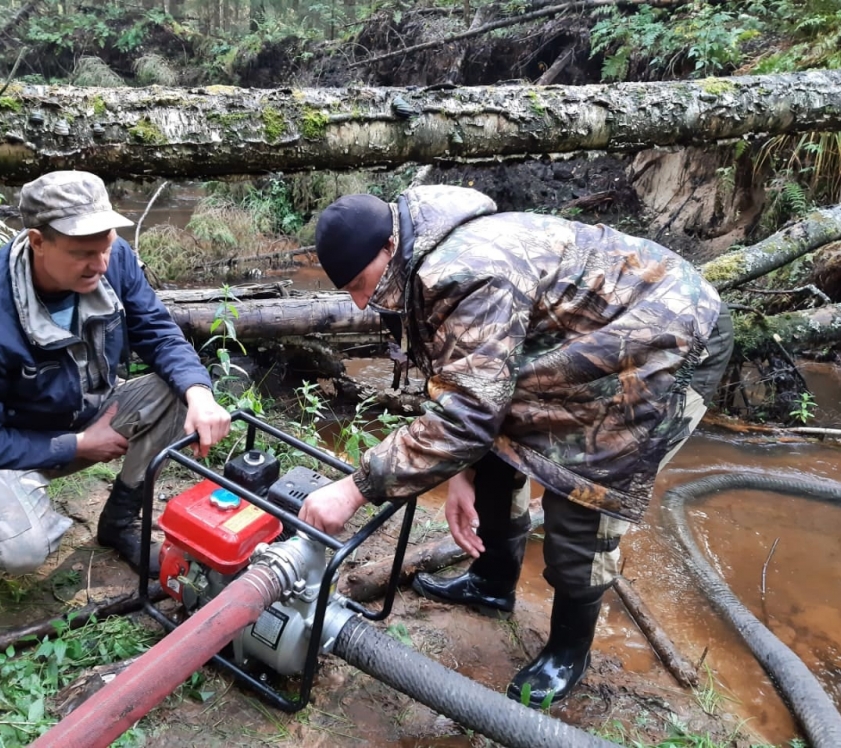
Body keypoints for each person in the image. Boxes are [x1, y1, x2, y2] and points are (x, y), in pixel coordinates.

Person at [298, 186, 733, 707]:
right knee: (497, 448)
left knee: (584, 485)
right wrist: (462, 473)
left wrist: (354, 489)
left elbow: (468, 416)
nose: (360, 302)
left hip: (668, 338)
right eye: (347, 290)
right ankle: (493, 582)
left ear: (388, 248)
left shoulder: (464, 271)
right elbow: (470, 386)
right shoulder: (419, 258)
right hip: (584, 342)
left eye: (359, 284)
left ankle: (569, 650)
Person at [0, 171, 231, 577]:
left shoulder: (113, 257)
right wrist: (78, 445)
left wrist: (200, 394)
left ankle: (119, 522)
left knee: (180, 388)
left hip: (87, 409)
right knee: (21, 550)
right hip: (8, 444)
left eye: (106, 246)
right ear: (38, 242)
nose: (101, 264)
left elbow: (158, 332)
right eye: (83, 253)